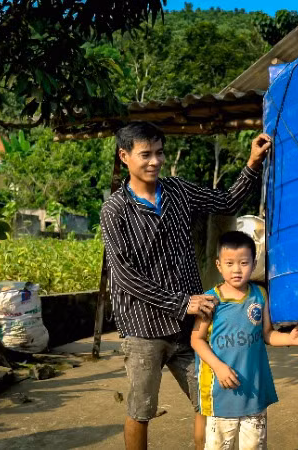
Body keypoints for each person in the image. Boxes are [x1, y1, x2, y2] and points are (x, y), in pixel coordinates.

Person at [100, 121, 271, 450]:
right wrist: (182, 303)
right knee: (141, 410)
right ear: (124, 156)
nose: (155, 161)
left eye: (159, 153)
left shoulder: (178, 191)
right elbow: (125, 275)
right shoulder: (115, 209)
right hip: (143, 327)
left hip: (189, 327)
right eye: (145, 154)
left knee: (207, 401)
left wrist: (252, 163)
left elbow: (226, 203)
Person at [191, 231, 298, 450]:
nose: (237, 269)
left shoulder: (260, 295)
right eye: (230, 263)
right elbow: (197, 340)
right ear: (219, 265)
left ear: (254, 264)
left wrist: (290, 339)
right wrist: (218, 367)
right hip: (220, 394)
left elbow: (267, 334)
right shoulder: (210, 299)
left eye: (244, 263)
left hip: (254, 392)